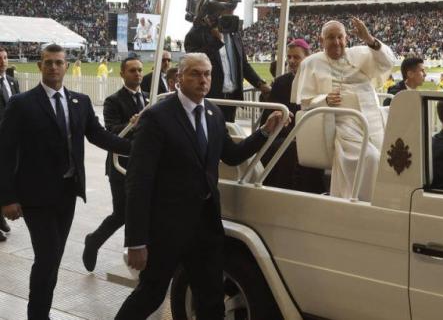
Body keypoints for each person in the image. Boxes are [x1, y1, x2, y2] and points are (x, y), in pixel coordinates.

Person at [115, 53, 287, 319]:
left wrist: (264, 132)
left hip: (205, 226)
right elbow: (138, 181)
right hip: (166, 228)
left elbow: (231, 155)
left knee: (211, 301)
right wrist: (136, 241)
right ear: (178, 78)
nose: (203, 80)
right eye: (195, 73)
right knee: (150, 295)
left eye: (207, 74)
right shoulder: (157, 118)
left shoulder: (214, 114)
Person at [0, 44, 131, 320]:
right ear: (40, 66)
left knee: (53, 260)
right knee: (47, 259)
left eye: (59, 62)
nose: (54, 67)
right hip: (35, 197)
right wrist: (7, 198)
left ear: (66, 66)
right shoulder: (21, 104)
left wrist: (135, 147)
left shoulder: (80, 102)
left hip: (67, 195)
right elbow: (5, 151)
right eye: (48, 62)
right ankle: (37, 315)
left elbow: (99, 136)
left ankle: (41, 312)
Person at [291, 17, 395, 200]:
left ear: (346, 38)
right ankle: (360, 203)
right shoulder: (311, 63)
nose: (337, 42)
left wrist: (369, 39)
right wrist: (325, 100)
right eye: (331, 37)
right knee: (369, 158)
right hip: (344, 121)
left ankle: (383, 202)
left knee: (390, 159)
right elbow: (305, 102)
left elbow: (387, 62)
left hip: (373, 117)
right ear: (321, 40)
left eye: (341, 37)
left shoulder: (361, 53)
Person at [83, 57, 148, 272]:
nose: (137, 74)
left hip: (143, 165)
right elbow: (110, 131)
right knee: (122, 213)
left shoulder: (149, 100)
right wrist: (134, 124)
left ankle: (137, 251)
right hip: (120, 165)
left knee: (139, 209)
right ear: (122, 74)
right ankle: (94, 242)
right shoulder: (113, 101)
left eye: (139, 70)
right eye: (132, 70)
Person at [184, 0, 271, 121]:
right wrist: (215, 41)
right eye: (227, 5)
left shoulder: (233, 32)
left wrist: (260, 84)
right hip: (208, 101)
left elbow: (243, 65)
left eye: (233, 5)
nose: (232, 9)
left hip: (232, 101)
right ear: (213, 7)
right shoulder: (197, 33)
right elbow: (194, 64)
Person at [260, 39, 324, 192]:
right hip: (283, 136)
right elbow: (268, 117)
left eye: (296, 57)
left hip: (310, 137)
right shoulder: (280, 82)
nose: (291, 61)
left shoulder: (317, 82)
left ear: (307, 58)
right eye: (289, 57)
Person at [0, 47, 19, 242]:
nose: (3, 61)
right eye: (0, 58)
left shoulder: (12, 81)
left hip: (9, 140)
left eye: (5, 58)